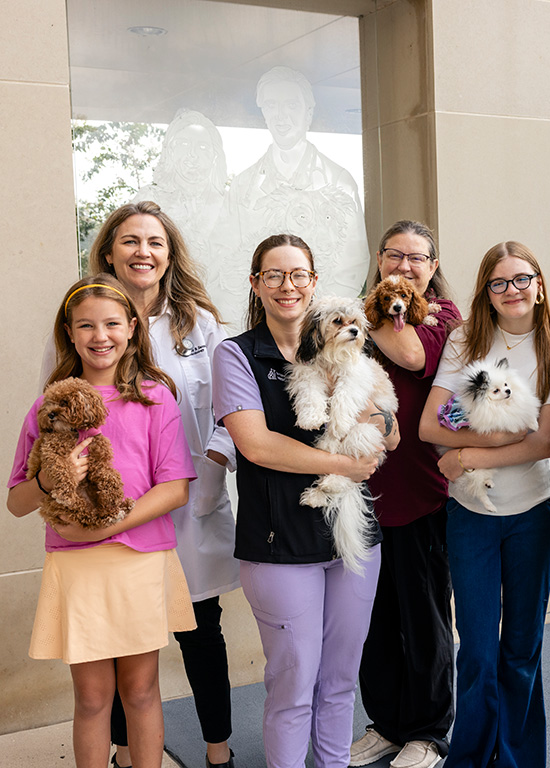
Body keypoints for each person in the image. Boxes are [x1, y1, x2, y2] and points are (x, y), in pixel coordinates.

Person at [212, 234, 398, 768]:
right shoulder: (238, 355)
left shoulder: (349, 348)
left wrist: (381, 420)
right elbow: (256, 445)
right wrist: (343, 465)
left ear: (314, 283)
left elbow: (392, 433)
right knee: (293, 687)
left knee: (340, 682)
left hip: (353, 536)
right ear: (256, 284)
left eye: (298, 274)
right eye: (273, 275)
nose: (287, 286)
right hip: (277, 544)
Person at [8, 274, 196, 768]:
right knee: (92, 698)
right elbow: (17, 503)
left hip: (140, 560)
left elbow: (175, 487)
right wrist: (50, 480)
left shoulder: (156, 398)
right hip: (77, 566)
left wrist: (106, 526)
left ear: (132, 328)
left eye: (112, 323)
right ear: (69, 333)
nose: (100, 336)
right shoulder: (48, 407)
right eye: (85, 325)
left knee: (140, 691)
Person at [80, 201, 239, 768]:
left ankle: (218, 751)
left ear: (170, 255)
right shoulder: (86, 319)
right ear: (108, 252)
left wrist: (216, 469)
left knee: (201, 633)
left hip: (193, 504)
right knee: (124, 641)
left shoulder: (202, 322)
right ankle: (126, 755)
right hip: (118, 513)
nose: (143, 252)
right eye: (130, 241)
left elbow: (230, 408)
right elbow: (61, 407)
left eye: (155, 242)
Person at [419, 241, 550, 767]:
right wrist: (480, 443)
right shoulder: (466, 340)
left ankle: (519, 760)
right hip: (471, 516)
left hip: (534, 514)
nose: (512, 291)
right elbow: (429, 425)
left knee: (521, 650)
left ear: (540, 284)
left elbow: (544, 441)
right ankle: (471, 759)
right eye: (499, 283)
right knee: (478, 652)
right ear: (486, 291)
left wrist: (468, 452)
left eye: (522, 279)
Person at [350, 221, 460, 768]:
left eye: (418, 258)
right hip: (362, 490)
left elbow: (413, 356)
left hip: (422, 492)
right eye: (396, 255)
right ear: (379, 257)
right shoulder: (359, 314)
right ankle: (388, 724)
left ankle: (429, 731)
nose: (406, 266)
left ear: (433, 267)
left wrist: (363, 314)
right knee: (372, 622)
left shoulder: (443, 316)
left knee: (426, 620)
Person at [213, 65, 370, 328]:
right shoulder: (243, 186)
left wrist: (314, 316)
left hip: (320, 328)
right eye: (272, 106)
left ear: (308, 113)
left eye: (291, 105)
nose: (281, 116)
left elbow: (352, 266)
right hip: (258, 325)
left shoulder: (338, 181)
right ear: (263, 113)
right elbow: (226, 257)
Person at [134, 109, 227, 271]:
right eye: (183, 144)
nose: (192, 154)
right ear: (170, 150)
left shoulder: (228, 204)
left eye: (202, 147)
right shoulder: (148, 198)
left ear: (214, 155)